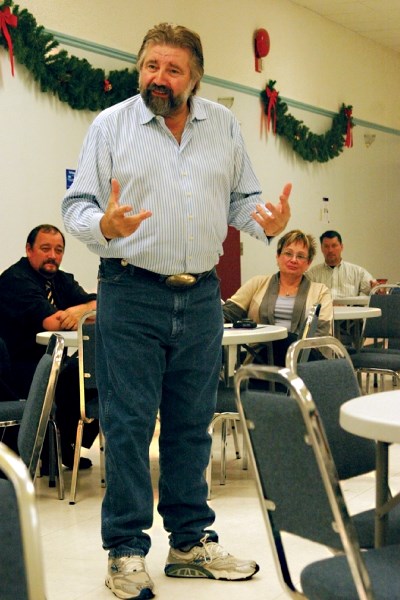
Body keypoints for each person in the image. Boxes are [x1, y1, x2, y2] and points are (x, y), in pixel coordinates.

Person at [62, 22, 292, 600]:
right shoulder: (110, 125)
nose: (157, 79)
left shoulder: (224, 126)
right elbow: (78, 204)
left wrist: (264, 221)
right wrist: (102, 225)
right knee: (129, 424)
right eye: (149, 66)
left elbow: (243, 199)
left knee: (192, 426)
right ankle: (126, 552)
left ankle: (190, 544)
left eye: (171, 69)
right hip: (130, 289)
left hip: (200, 295)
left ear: (195, 77)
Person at [0, 224, 98, 468]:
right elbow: (54, 322)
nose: (53, 256)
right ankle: (55, 448)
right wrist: (82, 313)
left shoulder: (60, 280)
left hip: (49, 361)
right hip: (16, 368)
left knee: (99, 373)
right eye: (45, 249)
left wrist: (81, 310)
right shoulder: (16, 280)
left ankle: (63, 445)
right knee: (76, 379)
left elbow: (100, 304)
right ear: (29, 250)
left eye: (58, 250)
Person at [223, 230, 333, 367]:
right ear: (278, 256)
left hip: (306, 358)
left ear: (308, 263)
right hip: (263, 356)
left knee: (284, 338)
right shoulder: (257, 283)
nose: (293, 260)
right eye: (288, 253)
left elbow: (320, 332)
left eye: (300, 256)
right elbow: (228, 313)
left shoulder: (320, 291)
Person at [306, 230, 378, 298]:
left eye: (334, 246)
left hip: (351, 310)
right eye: (326, 246)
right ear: (321, 248)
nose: (330, 250)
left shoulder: (358, 272)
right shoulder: (312, 275)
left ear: (341, 247)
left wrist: (378, 290)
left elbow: (375, 291)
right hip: (324, 311)